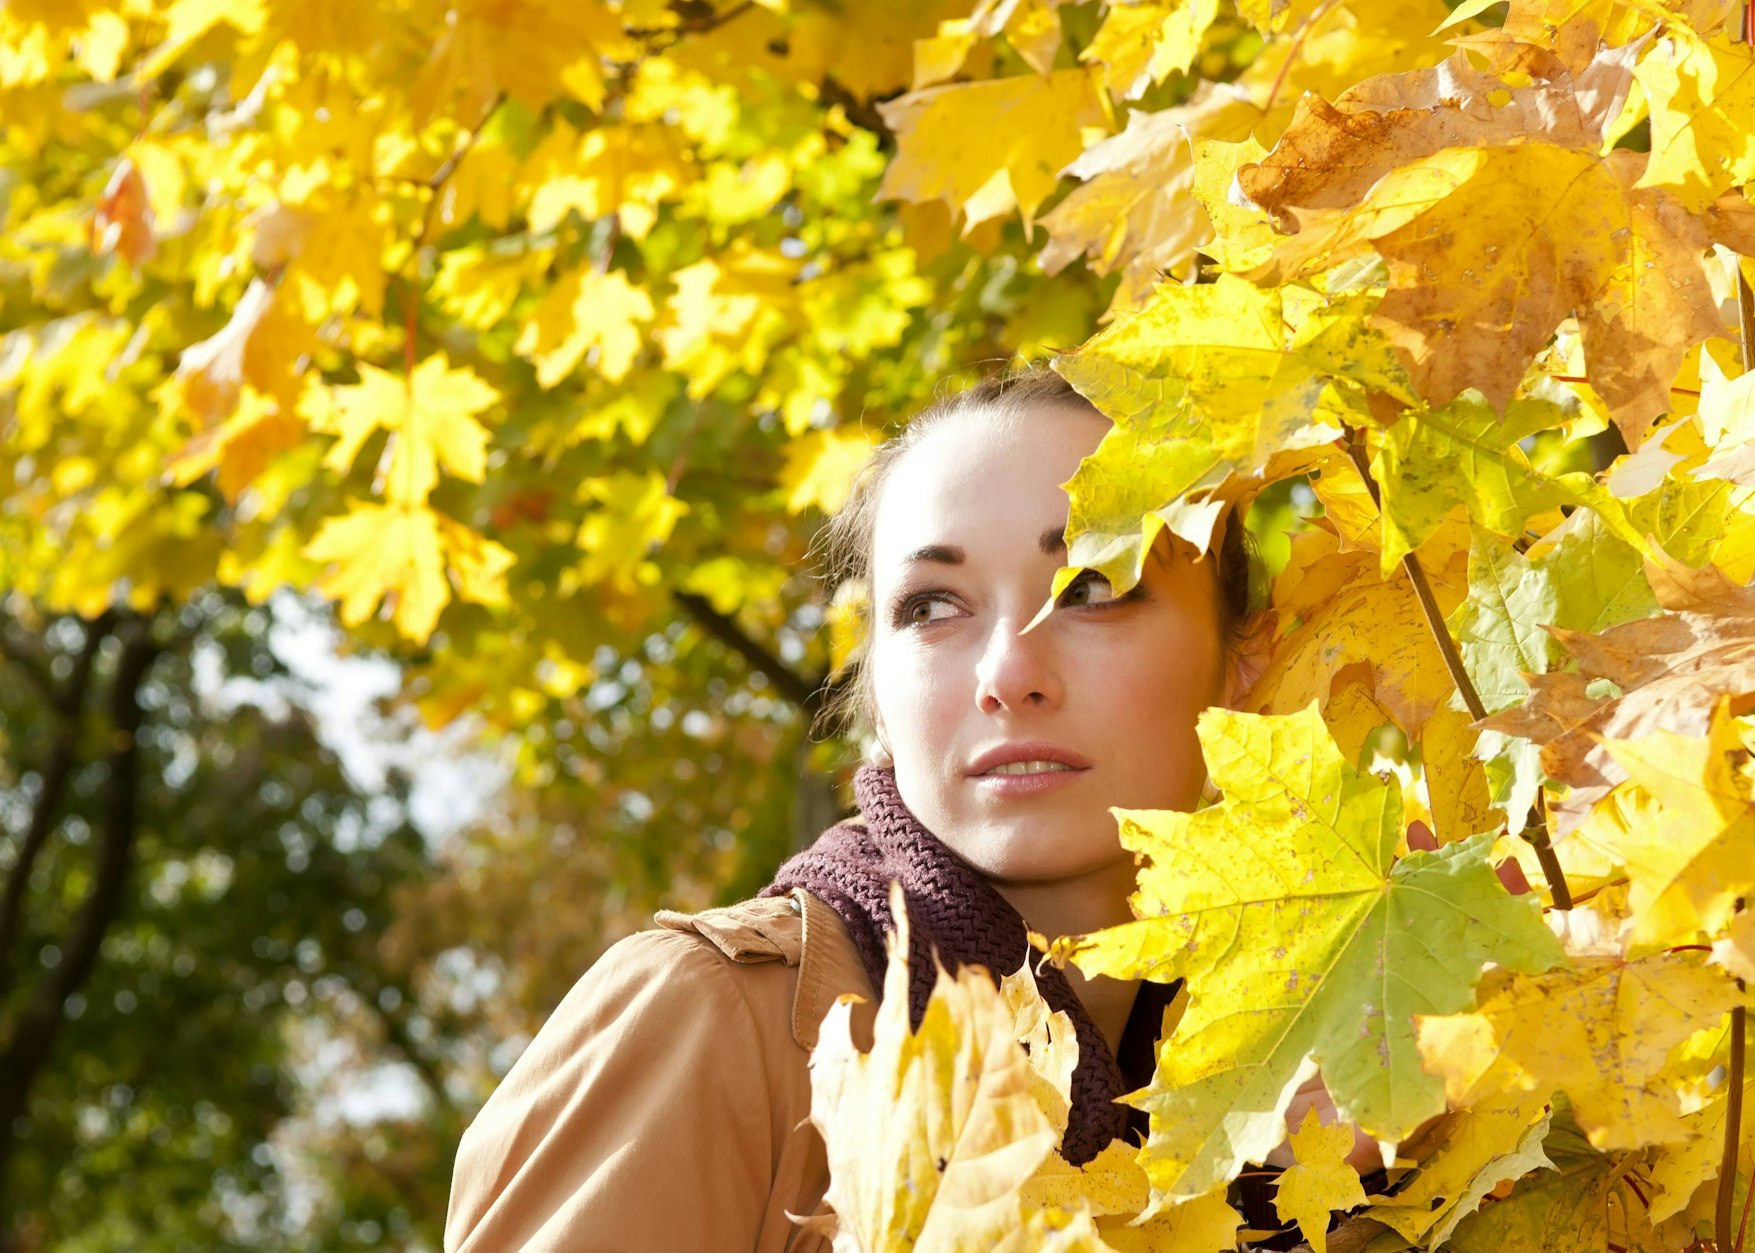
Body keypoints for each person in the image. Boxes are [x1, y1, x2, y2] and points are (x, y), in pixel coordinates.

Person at [443, 369, 1364, 1252]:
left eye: (1091, 586)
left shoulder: (1332, 1054)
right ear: (878, 687)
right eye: (933, 607)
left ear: (1249, 660)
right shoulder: (716, 1021)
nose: (1008, 674)